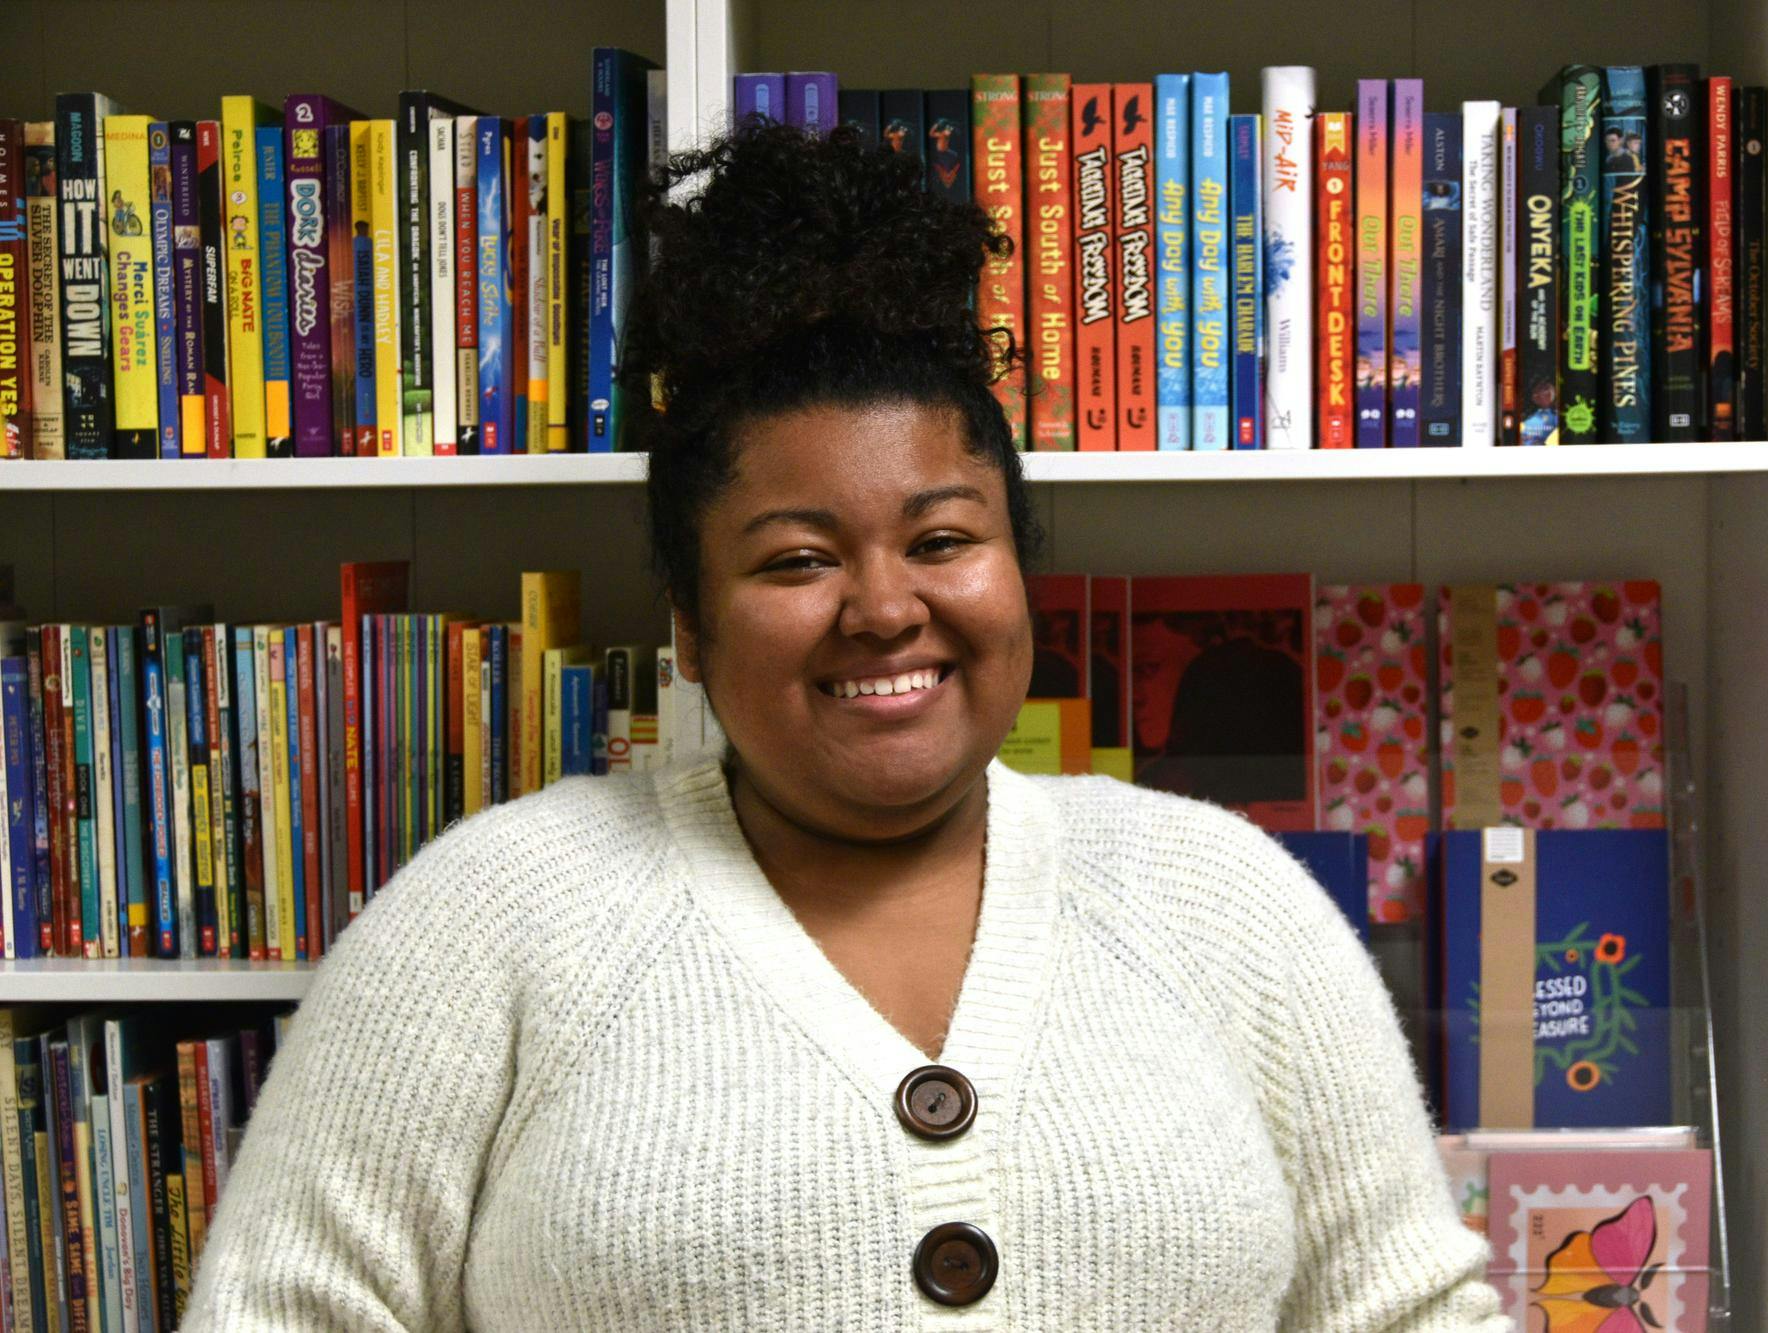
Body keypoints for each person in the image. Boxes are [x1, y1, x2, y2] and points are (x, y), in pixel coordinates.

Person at [185, 118, 1503, 1330]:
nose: (884, 607)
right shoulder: (489, 919)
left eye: (942, 538)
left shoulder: (1226, 902)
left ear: (1017, 574)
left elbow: (1412, 1314)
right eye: (798, 558)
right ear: (691, 627)